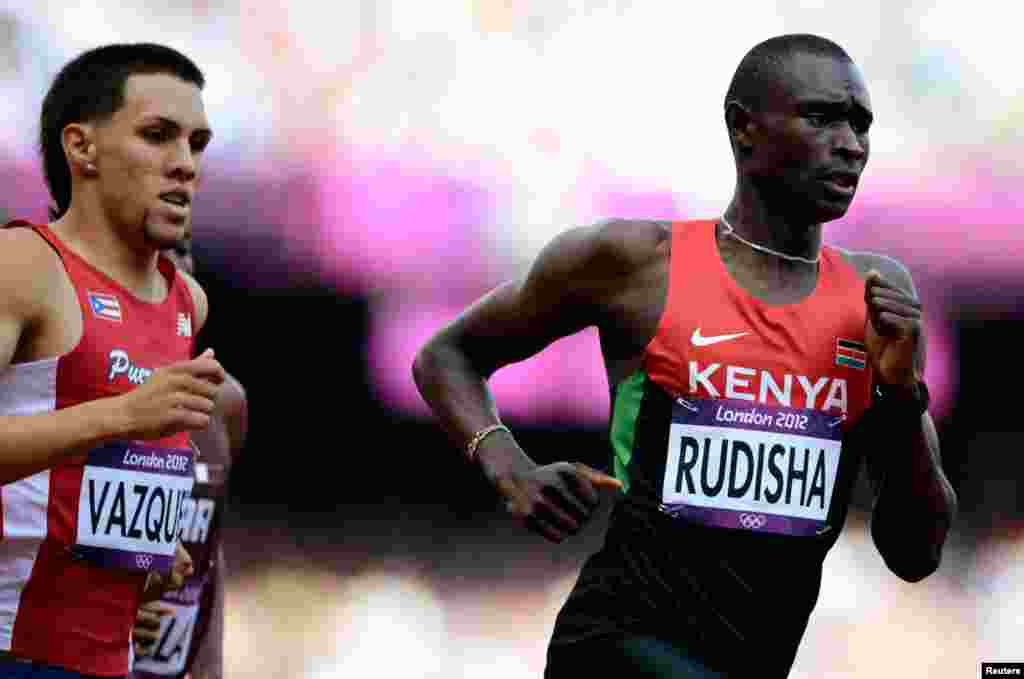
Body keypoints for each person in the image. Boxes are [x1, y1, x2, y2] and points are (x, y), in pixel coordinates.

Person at [413, 34, 958, 678]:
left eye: (861, 123)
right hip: (619, 646)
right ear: (742, 127)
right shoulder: (635, 266)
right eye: (822, 117)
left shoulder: (873, 298)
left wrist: (900, 395)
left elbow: (916, 553)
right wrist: (507, 465)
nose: (851, 142)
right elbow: (447, 355)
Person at [0, 43, 223, 678]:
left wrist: (141, 559)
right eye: (158, 136)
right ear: (82, 148)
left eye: (197, 144)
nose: (184, 165)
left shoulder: (187, 303)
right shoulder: (22, 266)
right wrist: (119, 415)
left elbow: (81, 499)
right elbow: (111, 425)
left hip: (108, 660)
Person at [130, 235, 248, 679]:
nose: (173, 268)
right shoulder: (62, 389)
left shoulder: (225, 402)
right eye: (152, 253)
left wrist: (210, 667)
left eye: (182, 251)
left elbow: (208, 556)